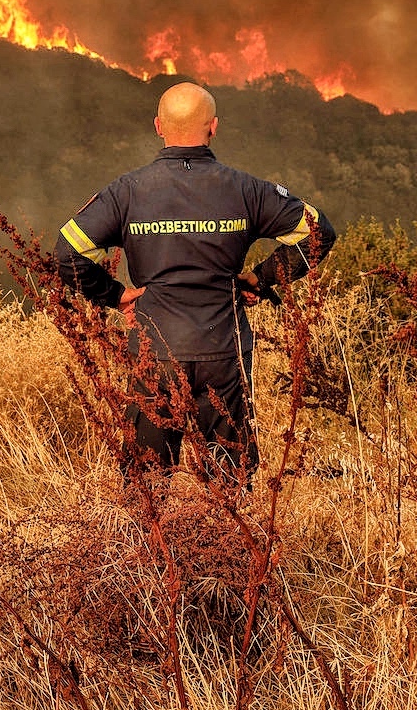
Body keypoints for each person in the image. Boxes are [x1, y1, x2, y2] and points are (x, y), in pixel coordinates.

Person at [54, 81, 335, 477]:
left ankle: (149, 541)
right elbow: (320, 231)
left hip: (156, 352)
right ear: (214, 126)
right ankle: (231, 541)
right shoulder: (247, 190)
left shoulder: (127, 192)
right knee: (229, 483)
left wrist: (116, 296)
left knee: (147, 486)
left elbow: (67, 253)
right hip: (225, 352)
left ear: (158, 126)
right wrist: (260, 277)